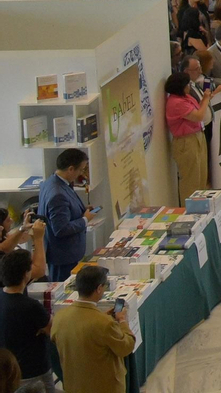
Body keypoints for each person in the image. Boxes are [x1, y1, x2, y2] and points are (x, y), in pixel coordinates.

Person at [50, 266, 136, 393]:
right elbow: (126, 347)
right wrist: (122, 321)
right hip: (104, 387)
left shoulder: (59, 317)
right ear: (99, 289)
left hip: (74, 385)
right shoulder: (105, 323)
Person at [1, 239, 51, 393]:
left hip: (9, 369)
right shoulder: (30, 305)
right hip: (33, 370)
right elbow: (51, 329)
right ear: (25, 274)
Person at [39, 150, 92, 283]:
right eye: (81, 169)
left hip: (65, 254)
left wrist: (80, 210)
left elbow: (64, 210)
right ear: (70, 169)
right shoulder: (57, 194)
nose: (82, 173)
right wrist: (85, 219)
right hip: (63, 256)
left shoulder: (53, 182)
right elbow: (61, 229)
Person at [164, 72, 211, 195]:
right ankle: (190, 211)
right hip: (186, 142)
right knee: (191, 181)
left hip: (198, 136)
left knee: (201, 176)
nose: (189, 86)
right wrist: (206, 98)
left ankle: (202, 208)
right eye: (187, 84)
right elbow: (199, 116)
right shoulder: (176, 103)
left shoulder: (186, 97)